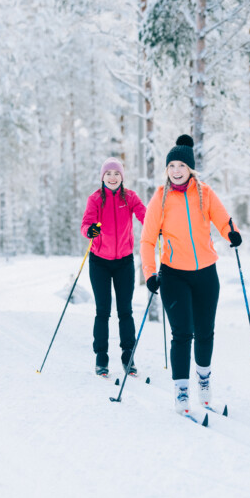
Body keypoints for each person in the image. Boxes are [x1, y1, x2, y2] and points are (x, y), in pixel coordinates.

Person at [139, 135, 242, 414]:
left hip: (206, 274)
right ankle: (181, 391)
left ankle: (204, 382)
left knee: (205, 332)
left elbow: (223, 219)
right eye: (171, 165)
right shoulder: (160, 199)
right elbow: (147, 241)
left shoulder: (204, 193)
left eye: (181, 165)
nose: (175, 170)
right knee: (182, 334)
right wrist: (150, 274)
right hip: (174, 276)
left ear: (190, 168)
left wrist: (231, 233)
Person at [81, 157, 147, 377]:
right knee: (103, 310)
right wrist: (90, 231)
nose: (112, 177)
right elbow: (86, 224)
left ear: (122, 177)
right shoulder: (95, 199)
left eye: (116, 173)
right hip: (99, 261)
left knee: (125, 310)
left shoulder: (130, 197)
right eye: (108, 173)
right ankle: (101, 357)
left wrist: (155, 226)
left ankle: (128, 355)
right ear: (103, 177)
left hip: (124, 262)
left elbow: (144, 215)